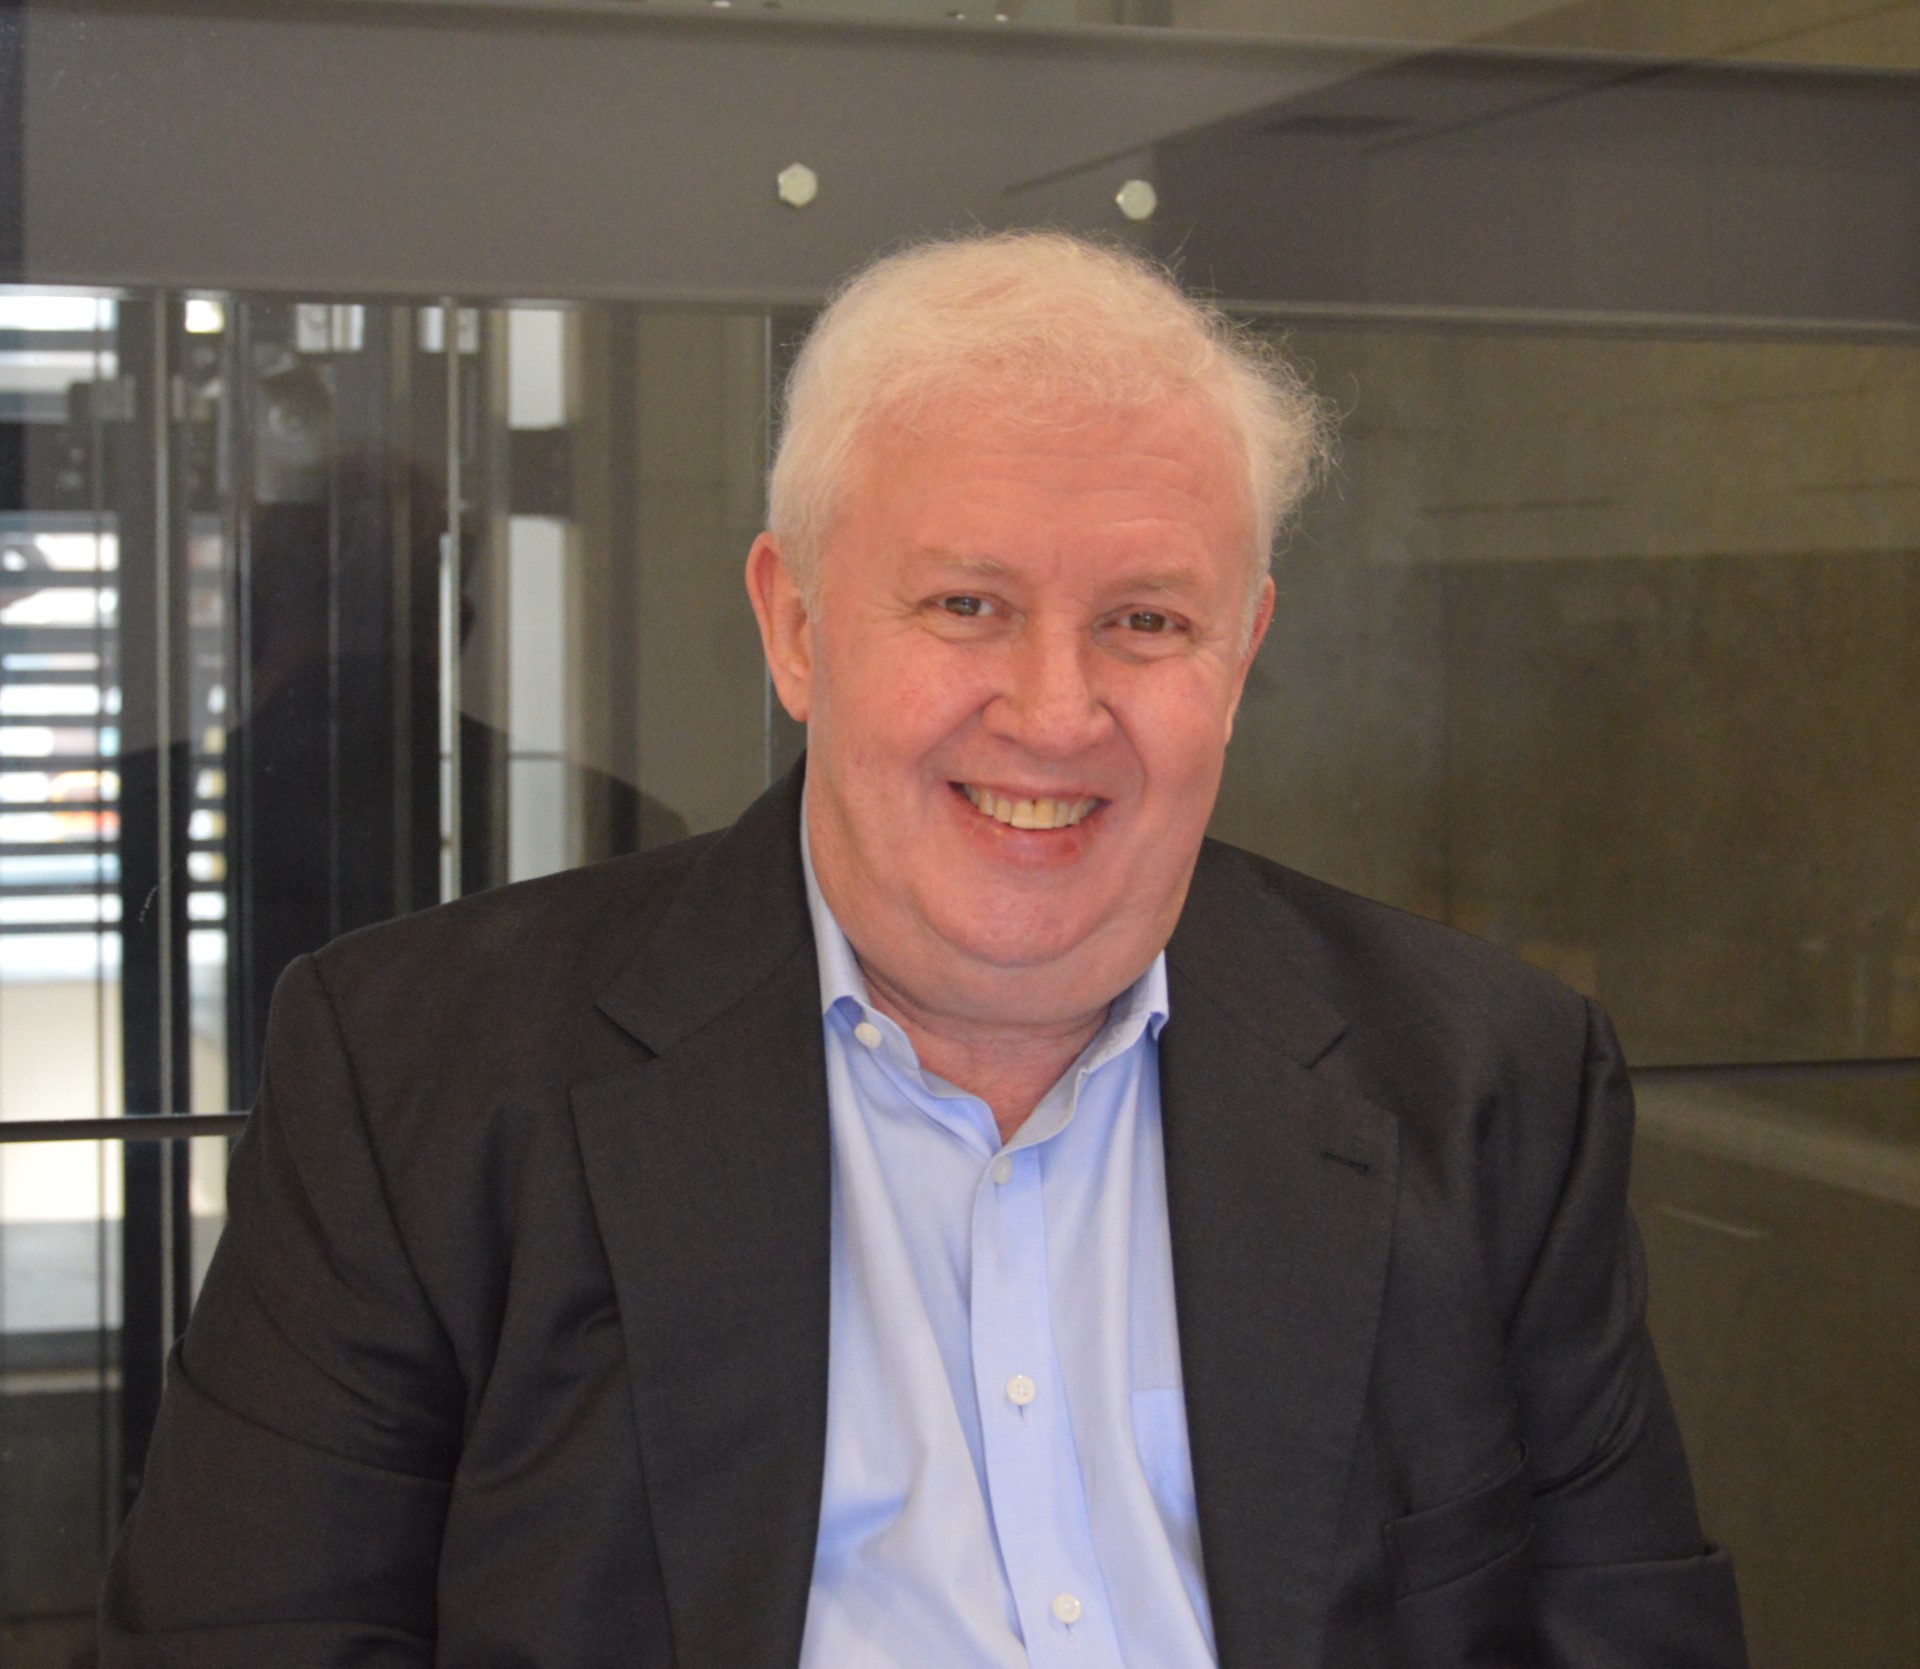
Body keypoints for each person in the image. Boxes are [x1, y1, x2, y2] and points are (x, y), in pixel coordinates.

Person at [100, 231, 1748, 1668]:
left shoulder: (1487, 1086)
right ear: (797, 625)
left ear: (1242, 648)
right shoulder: (417, 1079)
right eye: (965, 605)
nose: (1053, 710)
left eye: (1147, 618)